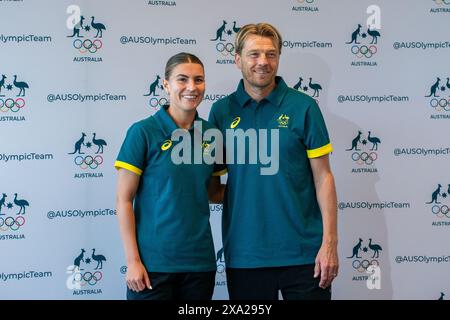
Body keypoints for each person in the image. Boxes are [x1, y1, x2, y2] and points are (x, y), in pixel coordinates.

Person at [208, 23, 338, 300]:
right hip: (245, 256)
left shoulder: (304, 107)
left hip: (305, 255)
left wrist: (329, 243)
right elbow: (212, 186)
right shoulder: (220, 112)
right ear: (237, 59)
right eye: (254, 54)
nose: (263, 62)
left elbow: (323, 177)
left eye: (271, 54)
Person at [115, 52, 223, 300]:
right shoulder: (142, 132)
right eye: (182, 79)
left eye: (199, 80)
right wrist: (133, 261)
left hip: (200, 265)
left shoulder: (211, 134)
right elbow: (123, 200)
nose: (191, 87)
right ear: (166, 85)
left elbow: (214, 192)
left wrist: (267, 188)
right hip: (153, 267)